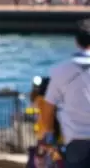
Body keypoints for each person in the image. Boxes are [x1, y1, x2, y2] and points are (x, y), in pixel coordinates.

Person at [39, 18, 90, 168]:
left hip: (75, 143)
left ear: (76, 41)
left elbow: (48, 106)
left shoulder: (60, 70)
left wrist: (49, 136)